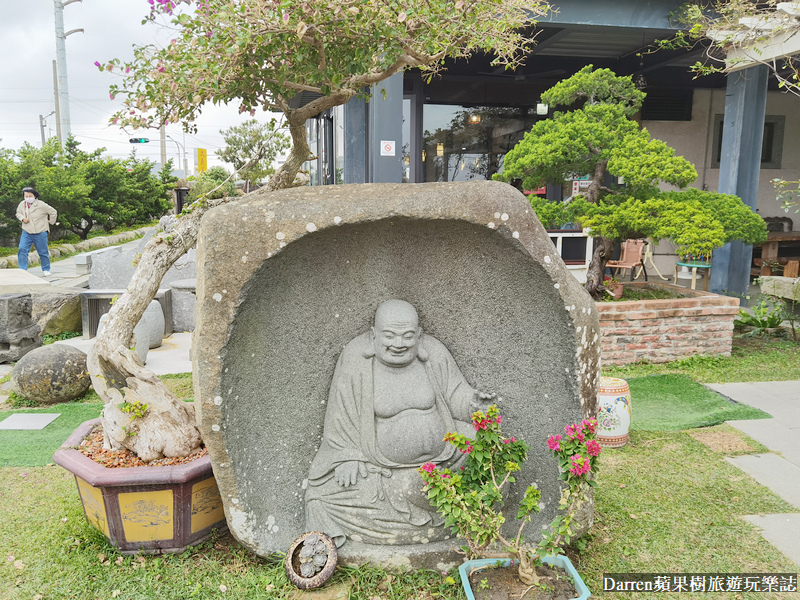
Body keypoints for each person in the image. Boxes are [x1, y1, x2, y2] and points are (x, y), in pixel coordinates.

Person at [304, 299, 495, 547]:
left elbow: (454, 392)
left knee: (484, 449)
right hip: (383, 469)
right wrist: (347, 456)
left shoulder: (433, 353)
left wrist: (473, 404)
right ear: (374, 336)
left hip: (447, 455)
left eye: (407, 336)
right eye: (390, 336)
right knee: (323, 496)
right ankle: (448, 508)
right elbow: (341, 416)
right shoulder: (356, 360)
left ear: (419, 335)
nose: (398, 344)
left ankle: (444, 502)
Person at [16, 187, 58, 276]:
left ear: (34, 196)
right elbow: (18, 213)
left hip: (40, 231)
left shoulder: (41, 204)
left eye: (30, 196)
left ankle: (46, 269)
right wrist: (22, 218)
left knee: (43, 251)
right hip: (27, 231)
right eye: (26, 196)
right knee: (22, 249)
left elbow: (53, 212)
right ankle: (22, 269)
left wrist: (50, 222)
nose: (28, 198)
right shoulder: (22, 204)